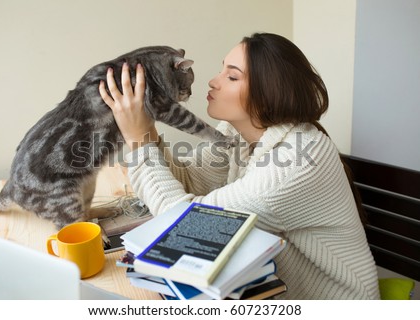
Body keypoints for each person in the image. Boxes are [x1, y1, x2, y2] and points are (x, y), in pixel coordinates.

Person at [99, 33, 380, 299]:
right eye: (223, 70)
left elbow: (185, 228)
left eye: (232, 76)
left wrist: (138, 140)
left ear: (268, 94)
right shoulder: (237, 133)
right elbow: (190, 181)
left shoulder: (297, 162)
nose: (213, 81)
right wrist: (146, 129)